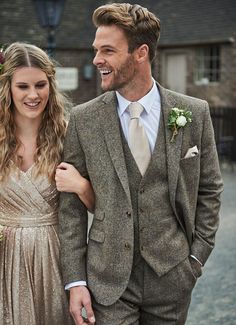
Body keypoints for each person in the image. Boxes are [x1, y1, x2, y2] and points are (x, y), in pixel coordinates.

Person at [58, 3, 223, 325]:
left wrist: (195, 258)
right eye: (96, 50)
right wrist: (75, 280)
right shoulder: (83, 119)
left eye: (108, 51)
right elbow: (69, 209)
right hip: (107, 280)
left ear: (140, 53)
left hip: (172, 278)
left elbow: (210, 188)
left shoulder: (194, 113)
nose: (96, 60)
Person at [0, 42, 95, 325]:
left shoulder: (69, 136)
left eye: (41, 85)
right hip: (6, 259)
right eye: (23, 86)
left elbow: (103, 207)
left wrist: (81, 186)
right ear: (8, 89)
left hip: (55, 259)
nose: (33, 94)